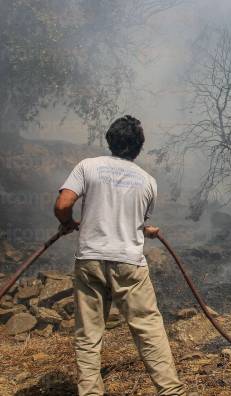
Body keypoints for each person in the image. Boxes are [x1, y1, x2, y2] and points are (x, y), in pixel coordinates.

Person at [54, 115, 185, 395]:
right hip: (129, 264)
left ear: (110, 140)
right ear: (139, 147)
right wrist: (146, 231)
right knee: (148, 329)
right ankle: (170, 391)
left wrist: (67, 222)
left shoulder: (88, 166)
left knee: (89, 335)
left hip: (90, 260)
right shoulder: (148, 181)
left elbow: (63, 203)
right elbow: (133, 220)